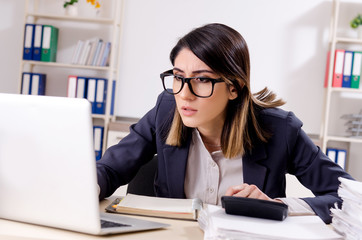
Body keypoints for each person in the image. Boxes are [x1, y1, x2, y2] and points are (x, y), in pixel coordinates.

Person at [96, 23, 353, 224]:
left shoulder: (281, 130)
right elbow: (109, 169)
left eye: (202, 80)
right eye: (177, 77)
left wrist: (278, 205)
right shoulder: (166, 110)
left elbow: (349, 198)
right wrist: (88, 186)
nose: (184, 93)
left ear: (234, 88)